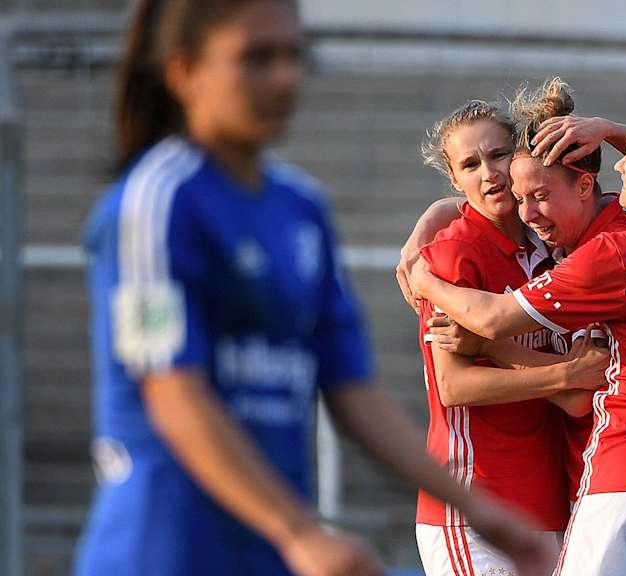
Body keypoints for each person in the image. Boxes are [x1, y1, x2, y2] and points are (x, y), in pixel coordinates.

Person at [74, 2, 552, 575]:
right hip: (164, 546)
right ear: (185, 72)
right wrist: (300, 532)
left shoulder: (301, 209)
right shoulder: (154, 202)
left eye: (293, 56)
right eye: (257, 58)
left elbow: (353, 392)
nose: (285, 77)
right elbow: (172, 393)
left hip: (271, 547)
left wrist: (482, 514)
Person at [410, 111, 626, 575]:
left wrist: (424, 279)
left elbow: (492, 320)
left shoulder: (615, 254)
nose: (620, 163)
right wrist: (608, 130)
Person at [412, 92, 613, 576]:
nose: (490, 174)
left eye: (498, 154)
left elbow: (577, 400)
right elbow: (454, 385)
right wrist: (567, 374)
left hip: (547, 506)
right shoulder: (453, 253)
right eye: (470, 164)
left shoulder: (553, 250)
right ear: (455, 179)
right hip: (473, 505)